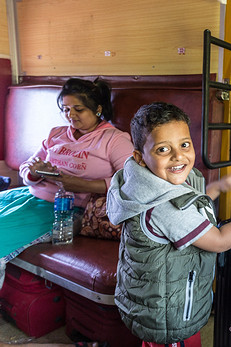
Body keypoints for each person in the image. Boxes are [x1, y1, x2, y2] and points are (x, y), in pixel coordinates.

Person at [106, 102, 231, 345]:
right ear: (140, 158)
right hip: (170, 314)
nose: (178, 156)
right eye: (162, 150)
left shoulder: (147, 183)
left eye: (184, 145)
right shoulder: (163, 207)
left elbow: (189, 203)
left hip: (155, 301)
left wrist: (219, 186)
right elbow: (219, 241)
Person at [0, 78, 134, 288]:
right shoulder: (57, 134)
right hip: (30, 195)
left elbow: (131, 181)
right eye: (65, 109)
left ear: (97, 109)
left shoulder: (114, 139)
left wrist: (78, 184)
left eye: (78, 109)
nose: (70, 115)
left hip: (67, 209)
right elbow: (26, 168)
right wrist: (35, 172)